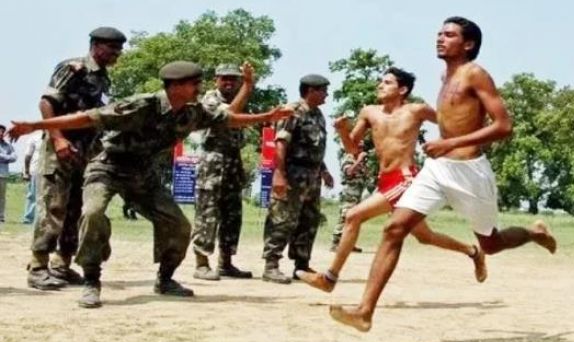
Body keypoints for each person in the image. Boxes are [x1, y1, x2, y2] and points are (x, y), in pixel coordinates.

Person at [329, 17, 556, 332]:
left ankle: (535, 234)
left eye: (449, 35)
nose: (440, 38)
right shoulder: (444, 76)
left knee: (490, 244)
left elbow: (504, 125)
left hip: (470, 173)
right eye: (439, 33)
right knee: (394, 229)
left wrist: (451, 142)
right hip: (436, 171)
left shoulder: (475, 75)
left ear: (468, 44)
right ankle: (364, 311)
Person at [7, 60, 294, 308]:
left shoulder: (191, 112)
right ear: (177, 85)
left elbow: (228, 119)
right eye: (195, 83)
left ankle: (165, 279)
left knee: (179, 225)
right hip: (107, 166)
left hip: (142, 174)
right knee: (92, 213)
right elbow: (88, 118)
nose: (199, 88)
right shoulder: (142, 105)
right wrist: (37, 126)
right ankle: (91, 280)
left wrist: (267, 117)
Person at [298, 67, 487, 293]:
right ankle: (473, 252)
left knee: (353, 216)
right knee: (425, 236)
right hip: (386, 181)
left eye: (387, 82)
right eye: (381, 81)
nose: (380, 85)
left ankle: (329, 278)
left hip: (407, 178)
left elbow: (453, 123)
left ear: (402, 89)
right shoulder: (369, 112)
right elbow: (353, 148)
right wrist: (341, 131)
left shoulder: (416, 110)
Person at [28, 27, 126, 291]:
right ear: (95, 45)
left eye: (119, 49)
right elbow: (46, 103)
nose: (116, 54)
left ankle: (62, 264)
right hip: (61, 148)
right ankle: (38, 267)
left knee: (75, 210)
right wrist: (58, 138)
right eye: (111, 48)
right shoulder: (73, 68)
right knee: (54, 207)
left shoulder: (103, 79)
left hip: (85, 152)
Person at [261, 74, 333, 284]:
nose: (326, 94)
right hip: (293, 174)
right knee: (282, 219)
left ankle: (301, 266)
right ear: (311, 91)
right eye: (323, 90)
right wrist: (279, 174)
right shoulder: (292, 111)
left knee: (308, 221)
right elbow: (281, 144)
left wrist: (324, 171)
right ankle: (271, 265)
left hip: (311, 177)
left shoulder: (318, 115)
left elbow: (315, 147)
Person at [191, 63, 256, 281]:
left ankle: (226, 263)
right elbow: (229, 115)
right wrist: (248, 87)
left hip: (232, 160)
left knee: (232, 215)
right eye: (224, 78)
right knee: (207, 214)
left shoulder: (239, 99)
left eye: (234, 79)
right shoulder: (211, 99)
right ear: (216, 80)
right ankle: (201, 263)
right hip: (212, 161)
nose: (229, 83)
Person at [331, 150, 370, 253]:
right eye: (359, 143)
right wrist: (359, 160)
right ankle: (336, 244)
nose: (362, 146)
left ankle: (349, 244)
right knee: (344, 217)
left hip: (358, 194)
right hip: (349, 194)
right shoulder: (348, 157)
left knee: (354, 219)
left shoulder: (361, 161)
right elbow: (349, 172)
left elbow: (365, 176)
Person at [21, 135, 43, 224]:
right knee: (32, 196)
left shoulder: (57, 135)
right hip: (35, 170)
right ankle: (28, 218)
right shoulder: (35, 137)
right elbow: (28, 156)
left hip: (50, 170)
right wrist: (26, 171)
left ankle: (41, 219)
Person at [0, 124, 16, 224]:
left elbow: (14, 157)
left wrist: (2, 157)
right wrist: (6, 157)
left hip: (3, 174)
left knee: (1, 197)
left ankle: (0, 216)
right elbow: (9, 157)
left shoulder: (8, 145)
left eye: (2, 132)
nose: (1, 133)